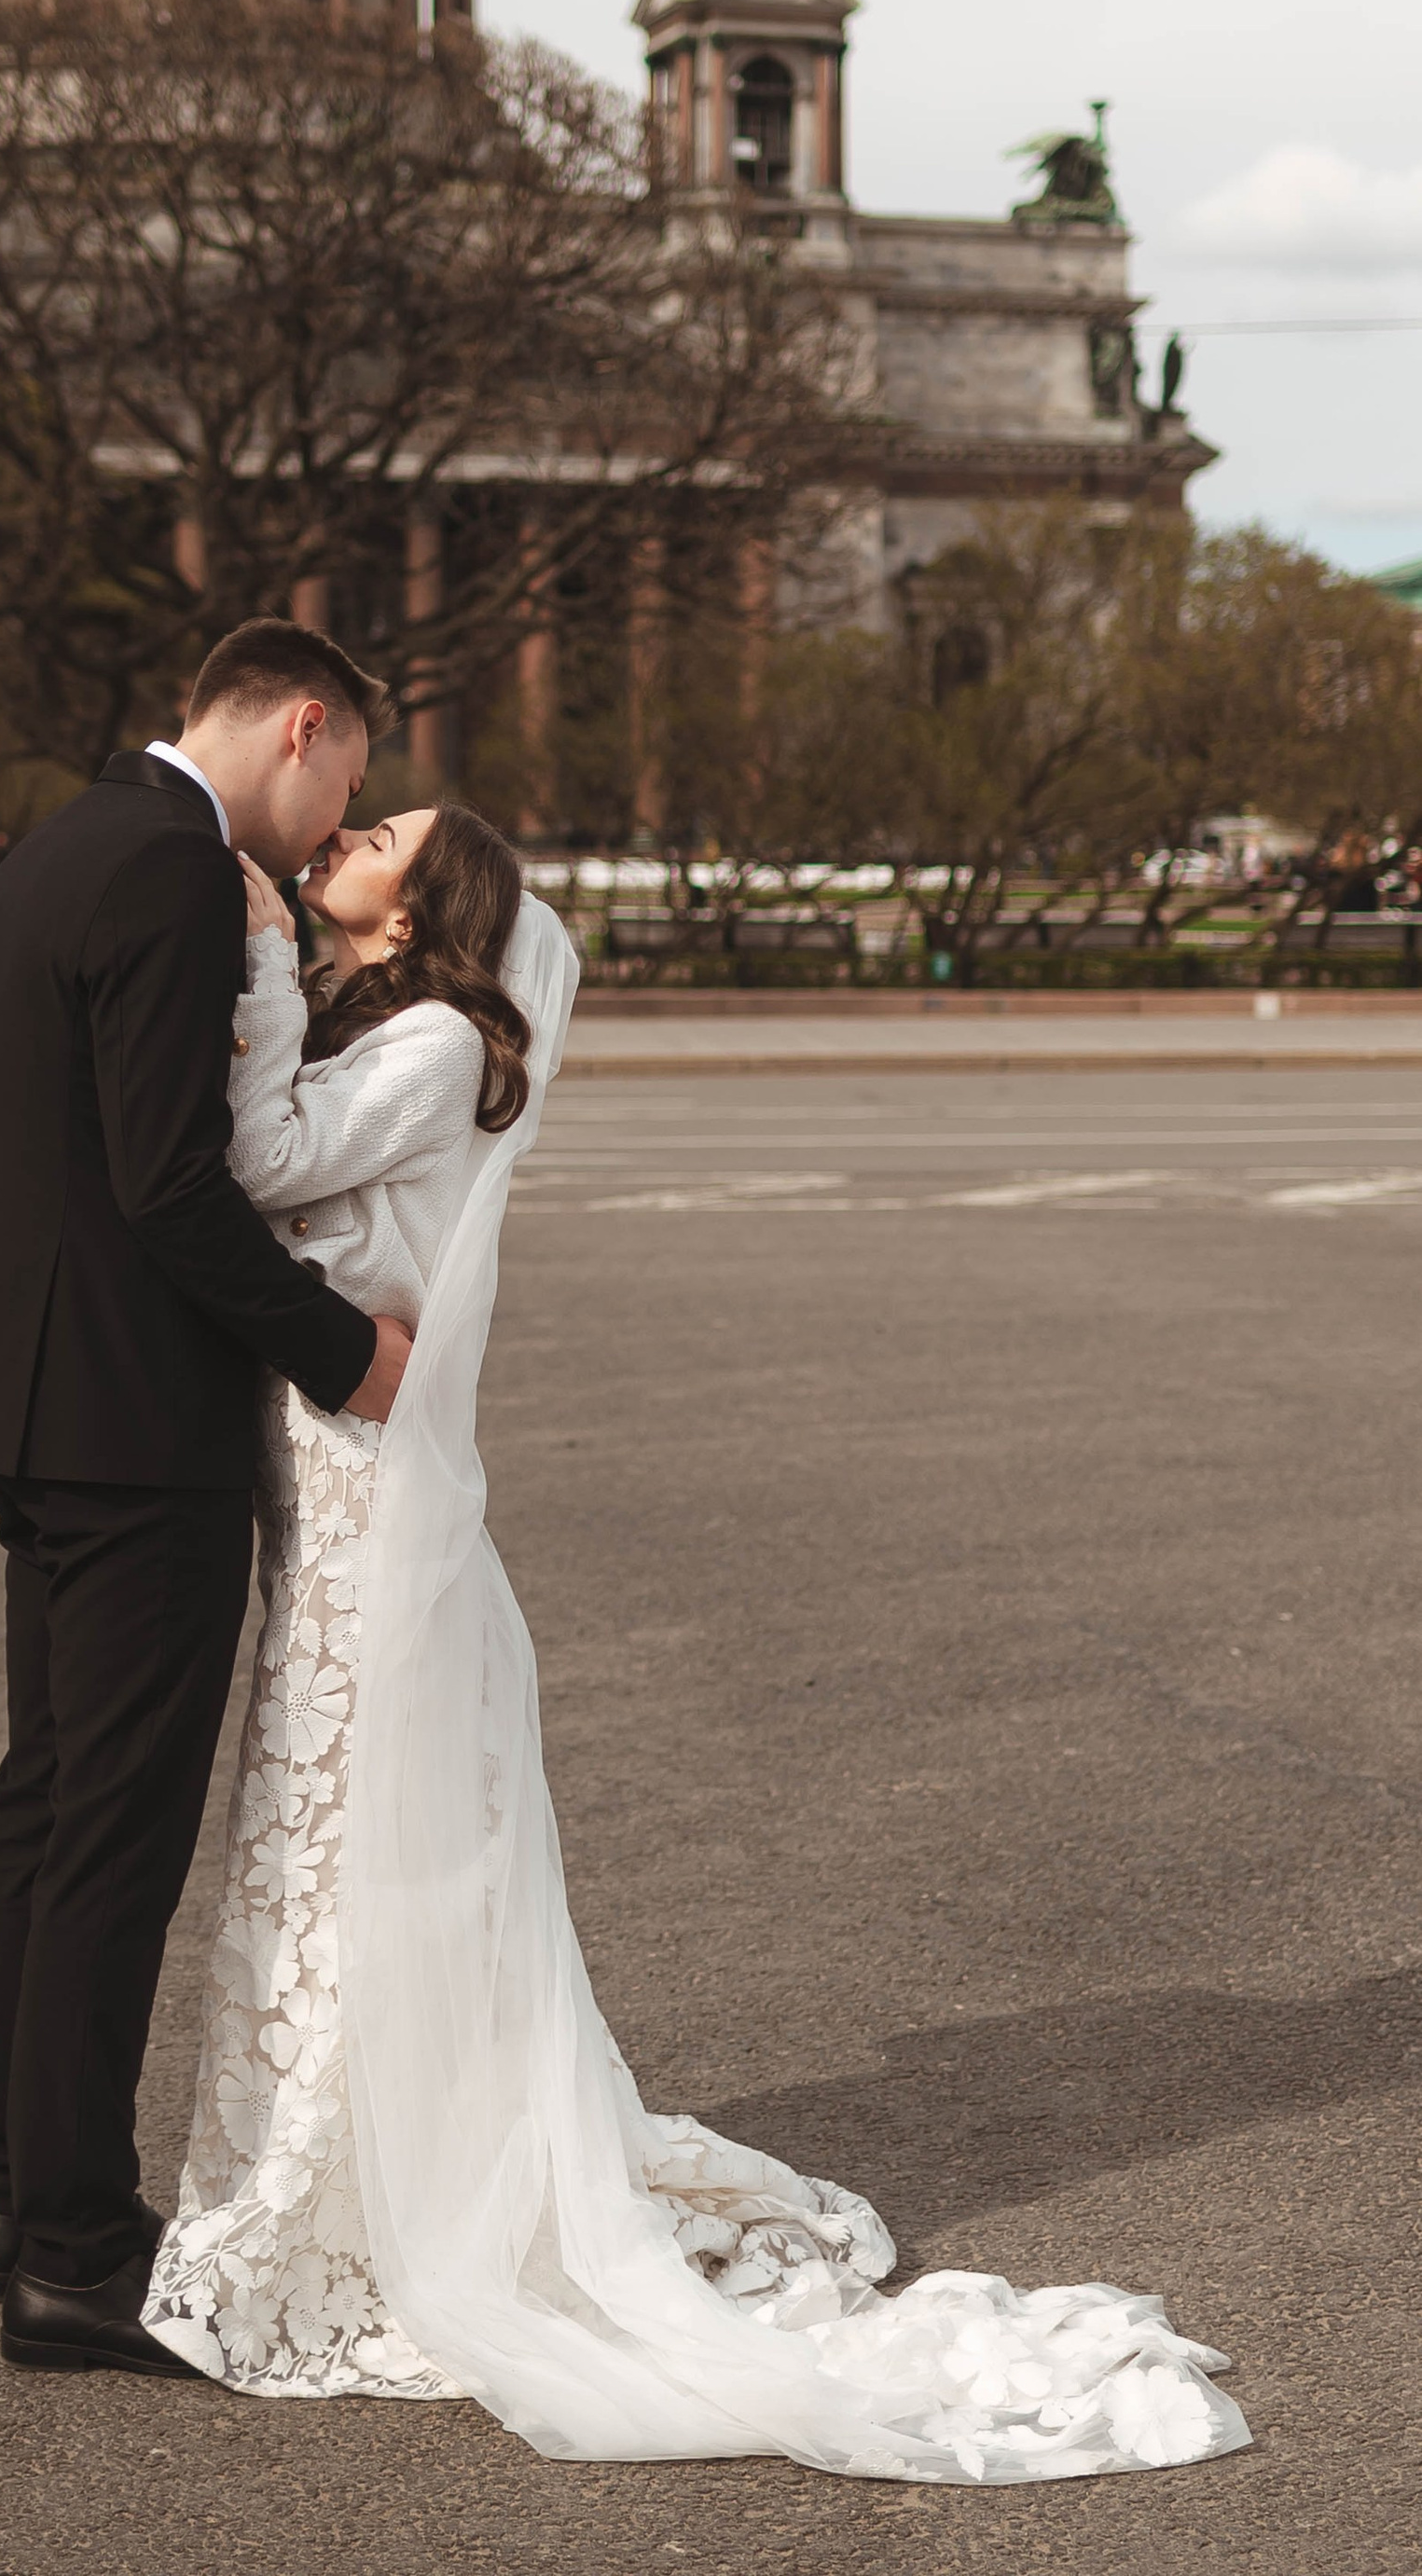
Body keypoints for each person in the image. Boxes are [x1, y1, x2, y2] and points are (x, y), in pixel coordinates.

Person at [143, 803, 1251, 2486]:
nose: (348, 831)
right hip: (335, 1452)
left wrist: (258, 968)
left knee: (349, 1814)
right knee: (328, 1812)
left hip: (373, 1478)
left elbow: (274, 1165)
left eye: (381, 833)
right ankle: (343, 2142)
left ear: (417, 908)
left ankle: (364, 2171)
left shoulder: (434, 1042)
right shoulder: (395, 1025)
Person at [0, 619, 415, 2381]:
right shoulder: (178, 871)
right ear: (303, 726)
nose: (338, 815)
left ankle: (19, 2187)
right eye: (352, 778)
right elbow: (170, 1182)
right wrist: (343, 1351)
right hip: (133, 1416)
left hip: (26, 1389)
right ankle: (72, 2248)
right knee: (113, 1837)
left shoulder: (64, 841)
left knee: (49, 1803)